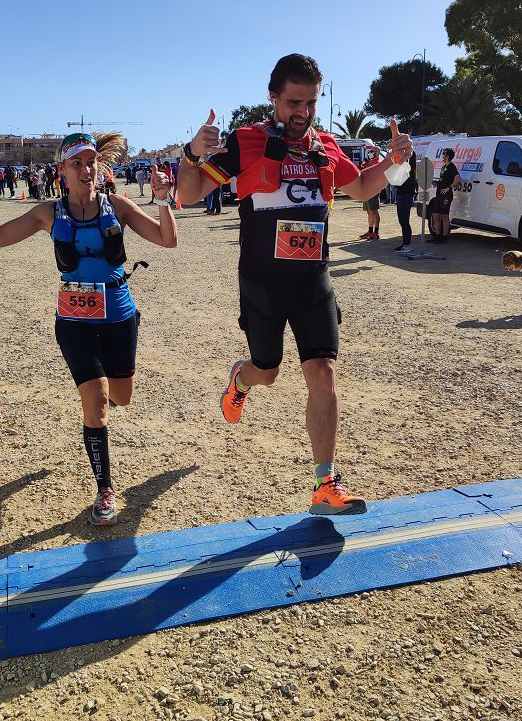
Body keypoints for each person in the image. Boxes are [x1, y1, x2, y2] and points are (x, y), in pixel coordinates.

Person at [177, 53, 413, 516]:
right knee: (268, 371)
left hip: (312, 279)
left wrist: (392, 160)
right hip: (262, 280)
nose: (301, 112)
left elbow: (362, 188)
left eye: (310, 102)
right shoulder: (246, 142)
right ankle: (241, 379)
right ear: (273, 99)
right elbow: (188, 195)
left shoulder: (324, 146)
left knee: (323, 373)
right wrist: (191, 154)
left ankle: (325, 483)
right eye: (292, 102)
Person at [0, 132, 177, 526]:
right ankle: (105, 489)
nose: (86, 169)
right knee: (96, 403)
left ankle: (102, 404)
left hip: (118, 316)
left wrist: (163, 200)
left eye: (90, 161)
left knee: (121, 398)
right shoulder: (49, 213)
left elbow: (167, 239)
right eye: (76, 162)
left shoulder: (118, 206)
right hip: (74, 321)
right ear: (61, 170)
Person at [430, 147, 460, 243]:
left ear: (448, 156)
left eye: (444, 155)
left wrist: (449, 187)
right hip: (439, 195)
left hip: (446, 196)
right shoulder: (444, 167)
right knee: (435, 216)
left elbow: (458, 178)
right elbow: (443, 180)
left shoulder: (451, 166)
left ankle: (444, 237)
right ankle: (437, 236)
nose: (442, 156)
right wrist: (436, 183)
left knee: (444, 216)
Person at [391, 152, 417, 253]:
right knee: (403, 221)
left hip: (405, 197)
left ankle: (407, 245)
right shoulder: (406, 168)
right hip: (403, 196)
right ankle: (405, 244)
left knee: (404, 222)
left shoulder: (408, 169)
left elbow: (399, 182)